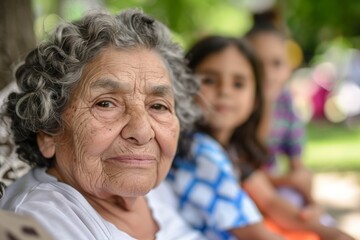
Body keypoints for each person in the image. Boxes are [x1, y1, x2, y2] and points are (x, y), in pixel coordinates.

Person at [0, 9, 204, 240]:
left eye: (158, 106)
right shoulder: (32, 222)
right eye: (106, 103)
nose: (142, 131)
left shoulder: (161, 190)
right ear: (48, 130)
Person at [167, 35, 354, 240]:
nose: (225, 91)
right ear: (184, 86)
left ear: (255, 98)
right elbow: (255, 234)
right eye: (209, 80)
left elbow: (271, 202)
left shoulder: (232, 150)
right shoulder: (199, 151)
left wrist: (328, 232)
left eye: (238, 84)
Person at [245, 22, 316, 212]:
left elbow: (297, 162)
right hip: (246, 186)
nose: (267, 73)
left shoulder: (286, 101)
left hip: (273, 183)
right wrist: (267, 102)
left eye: (276, 63)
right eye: (258, 64)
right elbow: (246, 169)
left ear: (288, 68)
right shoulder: (237, 105)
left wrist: (304, 186)